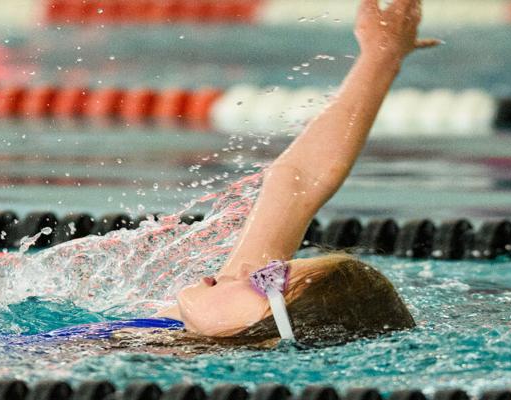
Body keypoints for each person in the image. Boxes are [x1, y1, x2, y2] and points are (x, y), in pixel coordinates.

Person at [152, 0, 439, 344]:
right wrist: (381, 57)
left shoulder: (173, 361)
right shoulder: (218, 318)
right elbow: (297, 179)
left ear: (272, 337)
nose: (248, 268)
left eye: (267, 280)